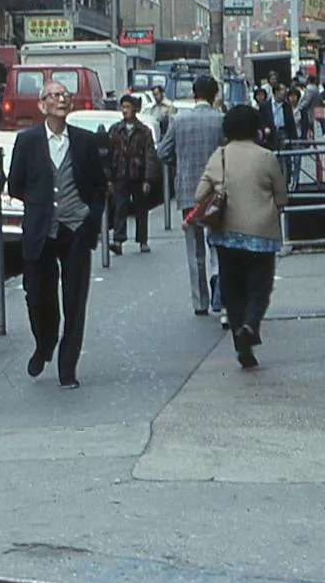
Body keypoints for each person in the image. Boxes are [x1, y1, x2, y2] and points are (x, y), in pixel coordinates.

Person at [5, 80, 109, 389]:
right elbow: (16, 185)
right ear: (42, 105)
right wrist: (41, 205)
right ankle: (44, 343)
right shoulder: (27, 141)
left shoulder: (85, 142)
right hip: (41, 231)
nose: (61, 99)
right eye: (54, 95)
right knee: (38, 297)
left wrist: (90, 217)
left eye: (65, 95)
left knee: (75, 301)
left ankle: (68, 367)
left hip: (76, 229)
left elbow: (98, 187)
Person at [189, 104, 287, 368]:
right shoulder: (266, 157)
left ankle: (239, 340)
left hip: (226, 235)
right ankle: (250, 323)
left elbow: (199, 195)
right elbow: (281, 196)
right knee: (260, 286)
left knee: (232, 290)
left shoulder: (219, 156)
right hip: (261, 234)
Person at [166, 75, 227, 316]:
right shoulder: (221, 120)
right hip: (217, 193)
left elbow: (163, 151)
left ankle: (200, 302)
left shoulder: (178, 121)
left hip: (188, 190)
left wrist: (180, 164)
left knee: (194, 251)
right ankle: (219, 294)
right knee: (219, 244)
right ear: (215, 96)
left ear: (194, 94)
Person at [106, 94, 159, 255]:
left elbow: (150, 155)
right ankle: (118, 240)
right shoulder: (116, 129)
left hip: (139, 174)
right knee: (119, 207)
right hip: (120, 174)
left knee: (141, 209)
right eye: (123, 107)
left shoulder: (144, 131)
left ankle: (142, 240)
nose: (125, 110)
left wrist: (148, 179)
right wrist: (109, 177)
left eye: (128, 107)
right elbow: (109, 153)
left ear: (135, 109)